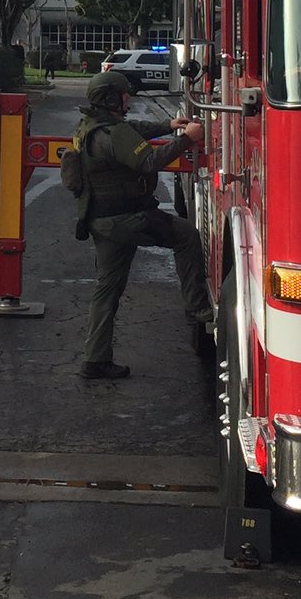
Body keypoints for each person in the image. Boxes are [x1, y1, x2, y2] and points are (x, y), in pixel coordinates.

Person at [73, 69, 209, 380]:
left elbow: (132, 129)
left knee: (107, 289)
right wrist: (187, 139)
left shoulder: (91, 127)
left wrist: (167, 125)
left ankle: (95, 360)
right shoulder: (115, 135)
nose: (128, 98)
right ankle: (197, 308)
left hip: (100, 220)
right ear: (110, 98)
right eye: (123, 95)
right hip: (127, 219)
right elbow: (148, 161)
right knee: (186, 235)